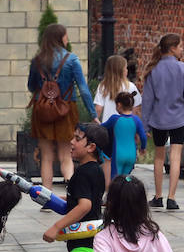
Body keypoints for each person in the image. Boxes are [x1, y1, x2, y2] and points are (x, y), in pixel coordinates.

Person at [27, 23, 95, 188]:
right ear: (60, 38)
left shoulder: (37, 61)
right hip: (66, 110)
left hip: (42, 110)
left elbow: (31, 86)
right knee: (66, 155)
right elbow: (84, 89)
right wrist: (93, 114)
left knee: (46, 156)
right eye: (65, 35)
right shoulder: (71, 59)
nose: (67, 38)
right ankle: (72, 192)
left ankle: (46, 197)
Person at [140, 33, 184, 210]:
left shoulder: (153, 69)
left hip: (158, 119)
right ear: (173, 48)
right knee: (175, 157)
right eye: (181, 46)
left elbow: (147, 100)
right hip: (178, 119)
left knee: (159, 157)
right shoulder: (182, 68)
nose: (182, 49)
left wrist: (145, 125)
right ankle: (172, 198)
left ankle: (158, 196)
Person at [103, 92, 148, 183]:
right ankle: (125, 196)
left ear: (119, 105)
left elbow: (101, 127)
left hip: (118, 155)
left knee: (115, 181)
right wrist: (143, 148)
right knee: (126, 180)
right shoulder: (136, 120)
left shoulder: (114, 119)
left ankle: (115, 197)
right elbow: (143, 136)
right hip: (132, 155)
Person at [93, 55, 140, 123]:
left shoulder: (103, 86)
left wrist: (95, 124)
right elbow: (136, 108)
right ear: (122, 71)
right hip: (126, 126)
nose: (127, 70)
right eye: (126, 68)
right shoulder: (131, 86)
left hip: (108, 126)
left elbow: (98, 109)